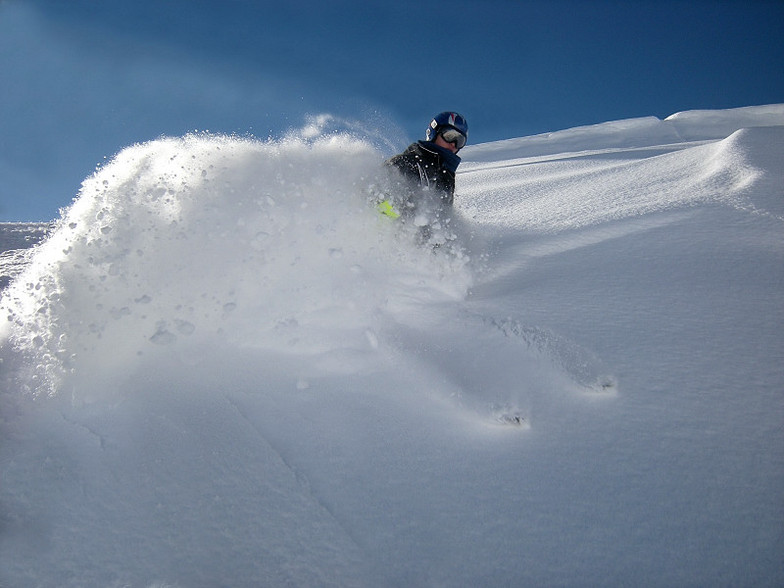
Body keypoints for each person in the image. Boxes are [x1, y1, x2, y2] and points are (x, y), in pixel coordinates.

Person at [379, 112, 468, 221]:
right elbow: (376, 193)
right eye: (449, 136)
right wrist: (398, 225)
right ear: (434, 132)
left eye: (460, 141)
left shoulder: (447, 177)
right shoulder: (406, 162)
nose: (453, 144)